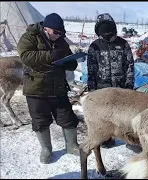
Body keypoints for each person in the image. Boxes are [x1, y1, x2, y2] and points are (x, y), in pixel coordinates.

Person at [17, 13, 80, 164]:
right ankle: (46, 149)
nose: (59, 36)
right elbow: (26, 56)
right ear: (46, 28)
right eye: (56, 33)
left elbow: (66, 55)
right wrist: (51, 55)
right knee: (40, 120)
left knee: (67, 117)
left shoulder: (61, 40)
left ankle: (72, 146)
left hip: (57, 87)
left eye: (61, 33)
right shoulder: (29, 37)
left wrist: (70, 63)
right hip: (36, 88)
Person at [86, 13, 136, 151]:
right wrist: (92, 90)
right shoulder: (94, 46)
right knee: (105, 116)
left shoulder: (123, 44)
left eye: (108, 28)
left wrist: (129, 86)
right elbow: (91, 70)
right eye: (103, 28)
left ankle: (127, 137)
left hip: (120, 88)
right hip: (102, 89)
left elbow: (130, 66)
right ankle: (106, 137)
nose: (106, 31)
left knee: (123, 115)